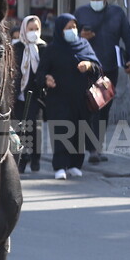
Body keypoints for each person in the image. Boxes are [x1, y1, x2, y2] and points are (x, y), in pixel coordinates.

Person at [74, 0, 130, 163]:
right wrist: (80, 36)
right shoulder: (81, 13)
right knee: (88, 109)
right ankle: (91, 148)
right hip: (86, 69)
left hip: (108, 70)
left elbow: (128, 37)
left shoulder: (117, 14)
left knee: (103, 110)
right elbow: (68, 36)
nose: (96, 1)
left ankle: (96, 147)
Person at [37, 13, 103, 179]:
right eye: (68, 28)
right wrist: (47, 79)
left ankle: (75, 164)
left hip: (81, 98)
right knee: (61, 131)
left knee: (80, 131)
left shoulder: (84, 45)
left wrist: (88, 65)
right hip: (58, 98)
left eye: (74, 27)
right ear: (60, 30)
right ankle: (59, 166)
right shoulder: (52, 49)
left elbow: (98, 68)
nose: (72, 30)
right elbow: (41, 72)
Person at [13, 14, 47, 174]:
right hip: (18, 96)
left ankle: (35, 158)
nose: (33, 32)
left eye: (36, 29)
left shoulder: (43, 48)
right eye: (30, 29)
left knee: (35, 128)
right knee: (20, 129)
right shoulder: (16, 47)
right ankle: (21, 159)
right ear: (24, 30)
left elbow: (45, 69)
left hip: (36, 96)